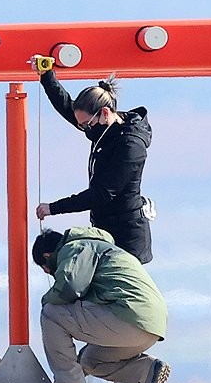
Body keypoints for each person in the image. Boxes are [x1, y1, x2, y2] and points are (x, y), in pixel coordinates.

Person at [32, 226, 170, 383]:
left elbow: (70, 287)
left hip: (128, 316)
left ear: (47, 256)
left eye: (46, 269)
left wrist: (45, 299)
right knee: (90, 360)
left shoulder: (76, 247)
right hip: (151, 325)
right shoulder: (104, 249)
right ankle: (147, 371)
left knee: (50, 312)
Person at [34, 63, 154, 263]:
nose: (84, 129)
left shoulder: (131, 145)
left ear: (105, 113)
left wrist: (53, 208)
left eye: (86, 124)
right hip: (104, 230)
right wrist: (47, 76)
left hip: (127, 238)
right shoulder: (103, 128)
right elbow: (67, 108)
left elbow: (103, 193)